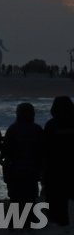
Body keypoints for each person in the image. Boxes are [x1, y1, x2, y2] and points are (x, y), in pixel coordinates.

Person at [1, 103, 44, 213]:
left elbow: (6, 150)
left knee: (16, 196)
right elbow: (43, 151)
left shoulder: (13, 129)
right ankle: (29, 219)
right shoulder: (37, 129)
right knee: (30, 195)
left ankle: (17, 221)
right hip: (32, 169)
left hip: (15, 168)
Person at [43, 96, 74, 226]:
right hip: (71, 167)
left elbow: (45, 149)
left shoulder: (51, 124)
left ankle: (59, 224)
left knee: (56, 203)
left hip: (55, 169)